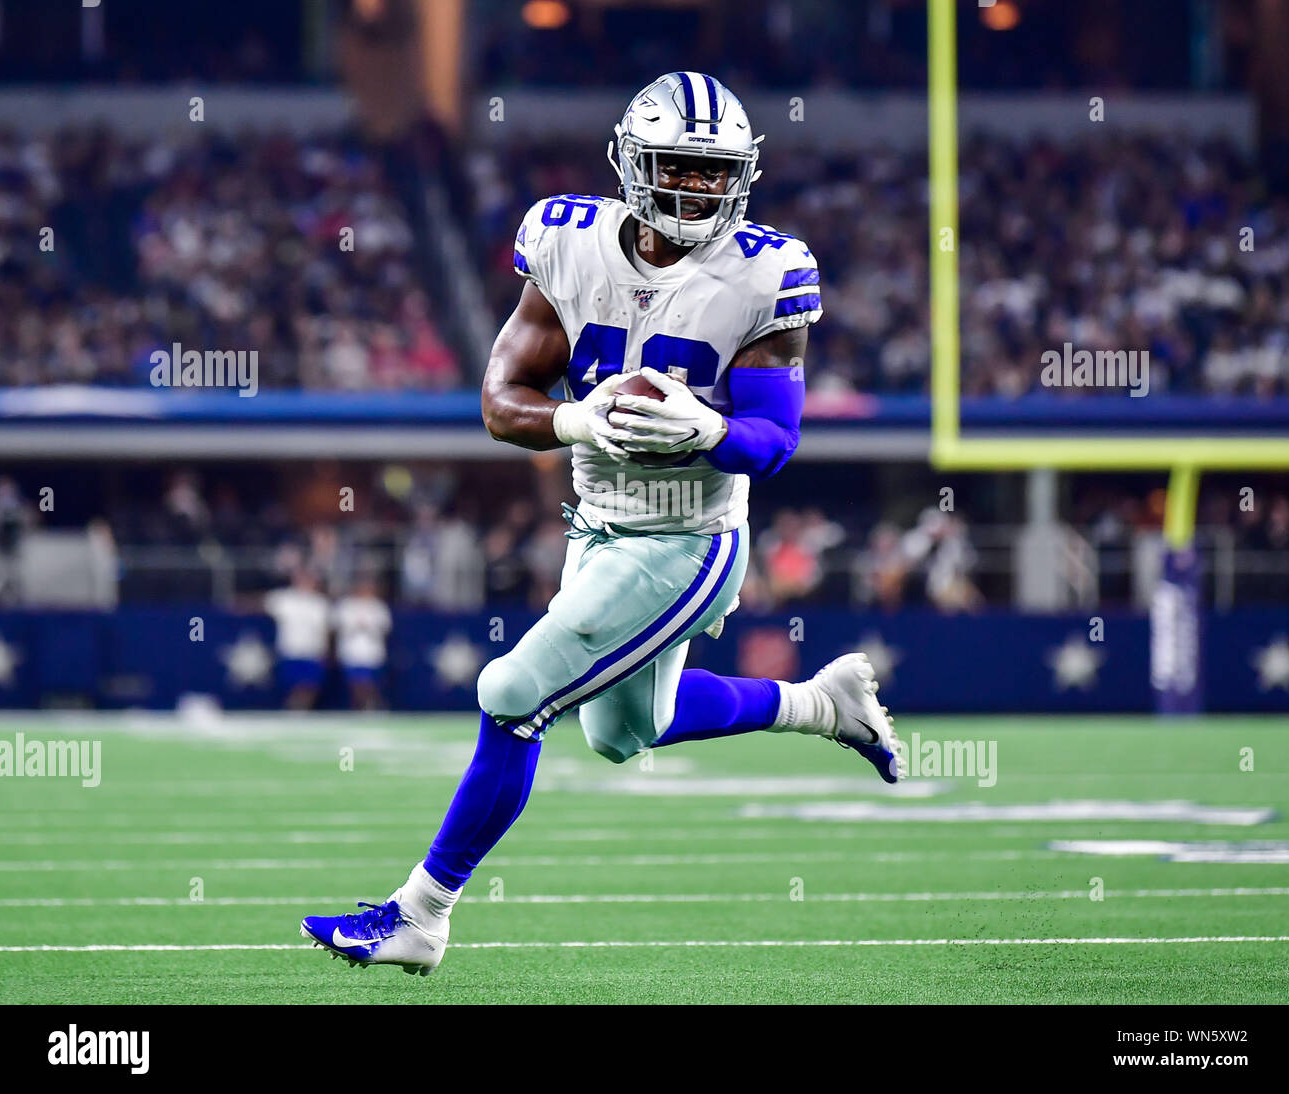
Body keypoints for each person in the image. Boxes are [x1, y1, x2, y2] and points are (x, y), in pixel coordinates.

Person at [301, 72, 903, 976]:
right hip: (597, 523)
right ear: (633, 163)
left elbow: (776, 442)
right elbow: (502, 405)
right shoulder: (567, 243)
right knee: (625, 732)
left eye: (716, 173)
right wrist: (581, 419)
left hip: (692, 536)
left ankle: (419, 915)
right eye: (681, 168)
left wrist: (710, 429)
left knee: (511, 692)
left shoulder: (766, 273)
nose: (700, 189)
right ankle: (823, 705)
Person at [263, 569, 330, 711]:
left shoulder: (320, 603)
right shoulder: (284, 599)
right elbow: (260, 603)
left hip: (313, 651)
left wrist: (326, 651)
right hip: (291, 650)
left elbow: (326, 631)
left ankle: (301, 710)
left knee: (310, 686)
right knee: (293, 685)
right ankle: (294, 710)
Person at [332, 576, 392, 710]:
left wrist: (368, 627)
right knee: (355, 683)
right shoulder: (346, 605)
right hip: (351, 652)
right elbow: (337, 628)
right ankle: (361, 708)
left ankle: (371, 705)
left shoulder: (378, 606)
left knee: (370, 683)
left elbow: (386, 629)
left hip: (372, 653)